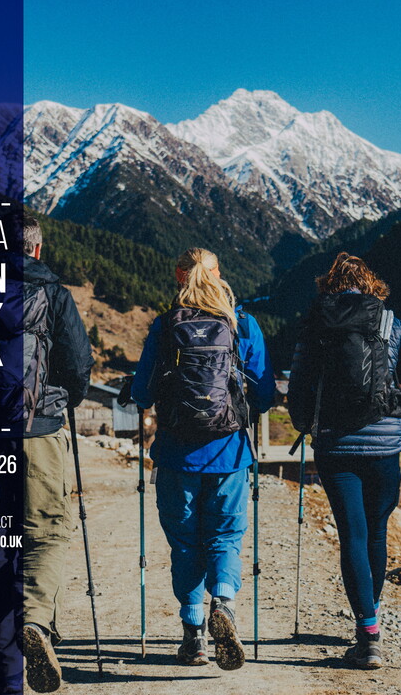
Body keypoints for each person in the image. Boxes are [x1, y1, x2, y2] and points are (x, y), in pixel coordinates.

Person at [0, 216, 93, 694]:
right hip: (41, 433)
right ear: (37, 250)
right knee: (47, 532)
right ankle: (35, 620)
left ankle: (1, 660)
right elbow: (78, 367)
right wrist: (59, 404)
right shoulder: (54, 294)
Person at [128, 248, 275, 670]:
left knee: (185, 543)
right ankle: (224, 605)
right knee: (225, 537)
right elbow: (263, 394)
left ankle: (193, 637)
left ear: (179, 277)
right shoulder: (242, 324)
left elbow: (141, 393)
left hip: (176, 455)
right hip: (229, 453)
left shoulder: (165, 326)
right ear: (218, 275)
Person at [287, 252, 401, 669]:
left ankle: (368, 636)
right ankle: (370, 617)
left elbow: (297, 386)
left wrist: (305, 426)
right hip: (386, 446)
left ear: (329, 284)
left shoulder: (316, 326)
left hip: (335, 447)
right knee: (376, 533)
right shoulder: (393, 324)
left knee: (351, 535)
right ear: (370, 284)